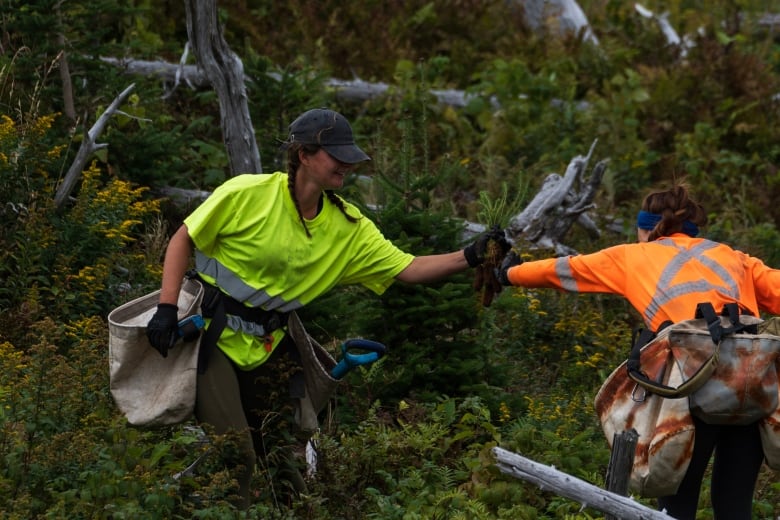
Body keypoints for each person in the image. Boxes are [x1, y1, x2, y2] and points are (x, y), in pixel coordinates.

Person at [145, 108, 508, 508]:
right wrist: (165, 308)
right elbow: (183, 239)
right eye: (337, 155)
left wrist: (472, 255)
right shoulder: (247, 194)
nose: (347, 165)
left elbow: (408, 268)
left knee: (285, 463)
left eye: (350, 156)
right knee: (238, 456)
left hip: (268, 347)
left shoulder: (349, 228)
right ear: (304, 154)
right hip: (211, 341)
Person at [497, 182, 779, 520]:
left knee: (677, 501)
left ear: (646, 229)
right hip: (752, 383)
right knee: (735, 505)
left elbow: (564, 270)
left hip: (689, 386)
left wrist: (509, 272)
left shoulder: (631, 256)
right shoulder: (734, 257)